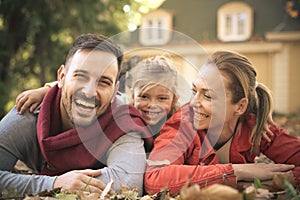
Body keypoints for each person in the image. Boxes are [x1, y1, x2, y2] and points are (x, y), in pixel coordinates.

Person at [0, 33, 153, 196]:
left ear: (115, 90)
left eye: (104, 82)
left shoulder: (124, 121)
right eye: (81, 76)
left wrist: (71, 184)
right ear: (62, 77)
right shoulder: (29, 113)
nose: (89, 92)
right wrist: (54, 183)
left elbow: (127, 181)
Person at [144, 50, 300, 195]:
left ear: (240, 106)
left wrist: (268, 184)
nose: (193, 103)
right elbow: (155, 178)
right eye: (194, 91)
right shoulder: (182, 123)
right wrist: (238, 172)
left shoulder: (255, 127)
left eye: (208, 96)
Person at [16, 55, 180, 140]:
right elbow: (68, 86)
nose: (152, 105)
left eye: (162, 99)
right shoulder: (124, 108)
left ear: (174, 99)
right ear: (132, 95)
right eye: (144, 96)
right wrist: (44, 91)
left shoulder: (177, 125)